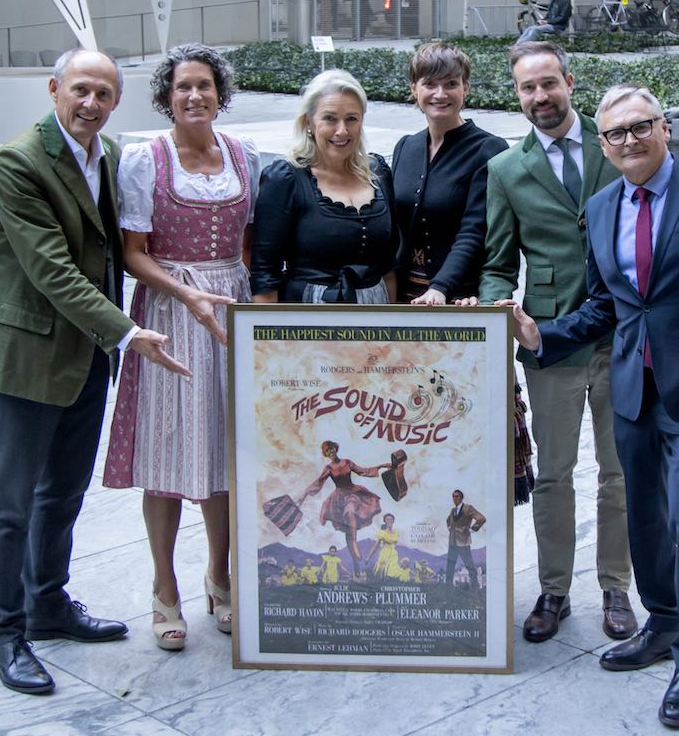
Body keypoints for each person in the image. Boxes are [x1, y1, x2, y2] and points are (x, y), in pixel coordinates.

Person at [503, 85, 679, 730]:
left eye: (640, 126)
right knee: (646, 519)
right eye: (616, 133)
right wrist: (542, 336)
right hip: (634, 390)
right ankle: (663, 624)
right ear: (603, 145)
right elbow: (607, 304)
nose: (629, 140)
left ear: (665, 128)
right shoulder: (602, 208)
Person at [0, 48, 188, 696]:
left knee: (63, 492)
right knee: (10, 502)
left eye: (104, 94)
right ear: (55, 89)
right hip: (30, 356)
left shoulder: (111, 156)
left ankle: (47, 604)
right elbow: (52, 270)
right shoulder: (18, 162)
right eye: (81, 90)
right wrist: (127, 331)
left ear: (116, 102)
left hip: (89, 355)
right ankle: (4, 635)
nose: (91, 103)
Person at [479, 40, 636, 644]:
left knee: (619, 471)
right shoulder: (505, 170)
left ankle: (616, 586)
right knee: (553, 474)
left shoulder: (614, 142)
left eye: (549, 83)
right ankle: (554, 590)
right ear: (517, 94)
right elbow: (498, 262)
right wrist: (498, 304)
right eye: (528, 87)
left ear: (570, 82)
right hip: (548, 339)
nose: (540, 96)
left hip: (622, 335)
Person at [101, 44, 249, 652]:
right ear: (167, 96)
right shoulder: (146, 158)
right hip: (170, 311)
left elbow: (248, 243)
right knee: (165, 452)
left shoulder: (243, 155)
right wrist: (185, 291)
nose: (194, 95)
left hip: (231, 308)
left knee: (226, 451)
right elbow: (132, 252)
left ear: (220, 94)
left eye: (205, 85)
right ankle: (165, 587)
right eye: (183, 86)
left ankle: (220, 575)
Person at [251, 69, 398, 304]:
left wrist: (392, 321)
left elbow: (388, 266)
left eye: (352, 118)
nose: (342, 130)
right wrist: (268, 327)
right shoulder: (286, 179)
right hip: (309, 311)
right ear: (309, 122)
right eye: (330, 118)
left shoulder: (378, 172)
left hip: (375, 309)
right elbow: (265, 273)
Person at [389, 42, 508, 304]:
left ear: (466, 87)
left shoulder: (489, 149)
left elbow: (475, 230)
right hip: (403, 297)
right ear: (414, 88)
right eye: (430, 84)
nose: (440, 94)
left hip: (458, 298)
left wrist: (441, 287)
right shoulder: (405, 147)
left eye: (451, 84)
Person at [297, 439, 391, 579]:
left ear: (336, 448)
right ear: (326, 454)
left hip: (353, 494)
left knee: (350, 511)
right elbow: (318, 482)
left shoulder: (347, 462)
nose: (331, 451)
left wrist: (381, 466)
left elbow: (363, 471)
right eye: (328, 451)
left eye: (332, 448)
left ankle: (354, 543)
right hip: (339, 499)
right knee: (348, 534)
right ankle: (356, 567)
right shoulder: (329, 468)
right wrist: (304, 494)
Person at [443, 489, 487, 589]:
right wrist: (450, 528)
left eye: (457, 496)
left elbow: (481, 518)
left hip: (463, 543)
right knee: (450, 566)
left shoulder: (468, 508)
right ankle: (448, 588)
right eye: (453, 496)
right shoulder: (453, 510)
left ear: (461, 498)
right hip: (452, 543)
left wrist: (472, 529)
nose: (455, 498)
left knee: (470, 566)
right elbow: (448, 520)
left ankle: (475, 587)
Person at [371, 513, 412, 581]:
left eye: (391, 519)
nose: (389, 521)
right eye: (387, 519)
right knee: (383, 571)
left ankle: (401, 578)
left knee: (392, 571)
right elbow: (376, 546)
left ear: (393, 521)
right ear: (385, 521)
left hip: (393, 554)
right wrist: (368, 558)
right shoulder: (382, 533)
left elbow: (394, 542)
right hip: (385, 553)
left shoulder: (396, 532)